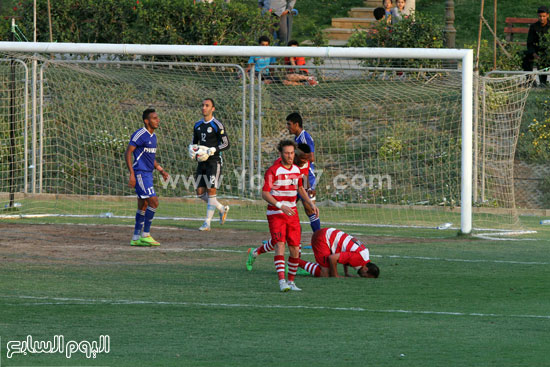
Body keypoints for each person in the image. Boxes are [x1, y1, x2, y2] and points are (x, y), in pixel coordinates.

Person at [246, 144, 315, 271]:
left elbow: (302, 181)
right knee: (279, 241)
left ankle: (294, 263)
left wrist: (310, 196)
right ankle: (258, 254)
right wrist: (280, 203)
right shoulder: (280, 164)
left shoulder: (301, 164)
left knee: (292, 237)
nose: (305, 162)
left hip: (292, 199)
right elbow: (272, 186)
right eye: (303, 159)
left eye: (307, 160)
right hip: (278, 206)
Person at [261, 140, 318, 292]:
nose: (290, 156)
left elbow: (300, 187)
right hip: (276, 213)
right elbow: (265, 193)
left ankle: (291, 282)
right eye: (286, 153)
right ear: (280, 154)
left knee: (294, 247)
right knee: (280, 244)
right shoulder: (273, 170)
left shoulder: (297, 170)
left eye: (292, 153)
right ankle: (282, 282)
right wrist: (280, 205)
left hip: (292, 213)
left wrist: (311, 203)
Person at [125, 108, 170, 246]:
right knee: (154, 202)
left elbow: (150, 157)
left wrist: (160, 169)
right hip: (140, 173)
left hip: (148, 174)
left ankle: (135, 238)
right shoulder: (140, 134)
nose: (158, 120)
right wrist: (132, 174)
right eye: (154, 118)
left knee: (143, 205)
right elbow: (128, 153)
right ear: (146, 121)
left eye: (157, 118)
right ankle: (146, 234)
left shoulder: (154, 136)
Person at [192, 98, 230, 231]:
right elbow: (194, 143)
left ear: (212, 109)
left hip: (214, 162)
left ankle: (207, 223)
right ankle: (221, 208)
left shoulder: (217, 125)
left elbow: (226, 144)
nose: (204, 108)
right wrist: (192, 150)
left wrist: (214, 149)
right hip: (201, 162)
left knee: (211, 190)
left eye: (207, 106)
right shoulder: (197, 125)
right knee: (200, 193)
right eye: (202, 105)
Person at [298, 228, 380, 278]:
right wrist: (335, 275)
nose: (362, 276)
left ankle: (299, 259)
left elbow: (346, 256)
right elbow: (332, 258)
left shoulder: (364, 255)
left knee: (327, 270)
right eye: (365, 276)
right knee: (325, 274)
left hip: (327, 235)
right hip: (323, 238)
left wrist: (346, 273)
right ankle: (295, 261)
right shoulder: (359, 259)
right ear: (366, 269)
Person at [286, 112, 320, 232]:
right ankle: (281, 237)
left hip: (307, 178)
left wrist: (296, 158)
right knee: (285, 207)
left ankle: (319, 238)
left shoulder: (304, 137)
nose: (288, 127)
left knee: (310, 209)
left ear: (296, 124)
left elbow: (311, 157)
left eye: (289, 124)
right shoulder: (297, 138)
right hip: (298, 178)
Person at [522, 6, 550, 86]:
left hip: (547, 52)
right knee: (525, 57)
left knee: (544, 61)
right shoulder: (534, 27)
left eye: (543, 16)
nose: (542, 18)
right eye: (540, 16)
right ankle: (530, 80)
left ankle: (543, 82)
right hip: (536, 51)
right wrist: (534, 53)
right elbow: (529, 42)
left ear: (547, 15)